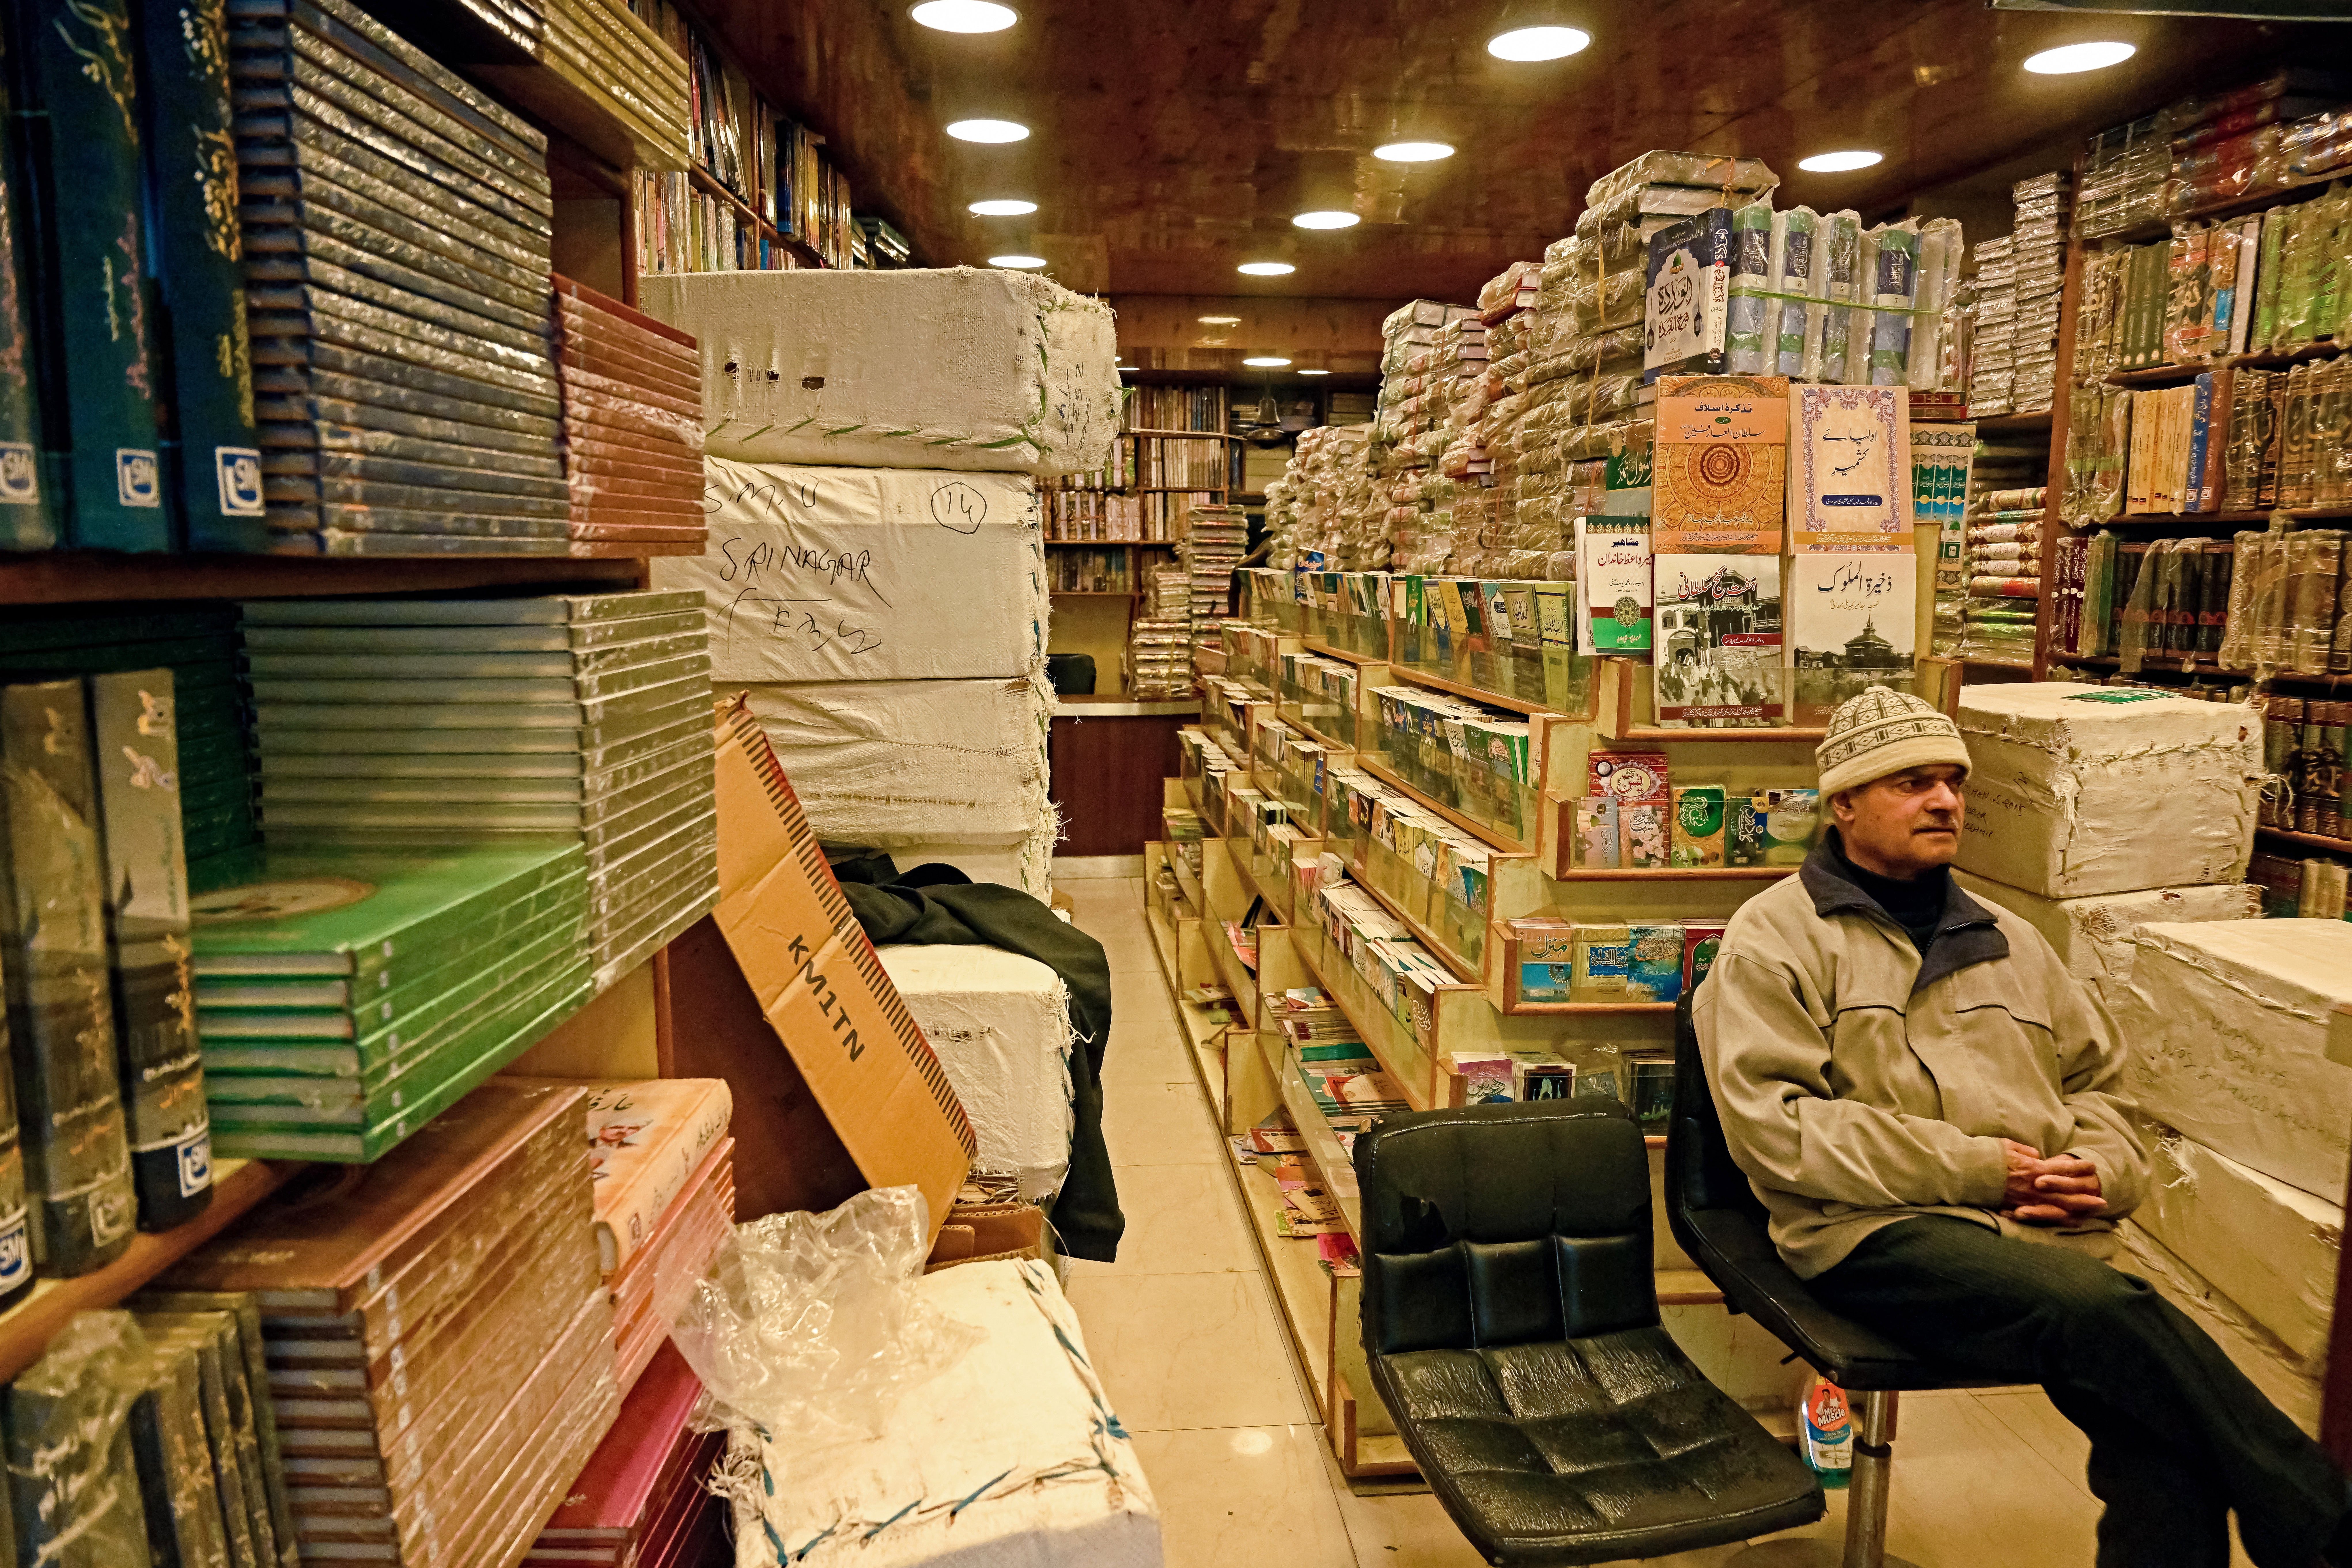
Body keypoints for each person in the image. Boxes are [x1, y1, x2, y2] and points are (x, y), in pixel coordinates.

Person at [1693, 685, 2352, 1567]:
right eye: (1913, 782)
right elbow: (1777, 1131)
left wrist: (2100, 1167)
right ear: (1844, 803)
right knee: (2118, 1316)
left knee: (2158, 1421)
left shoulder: (2015, 939)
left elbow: (2105, 1088)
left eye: (1955, 783)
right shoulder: (1773, 939)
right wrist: (1980, 1170)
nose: (1946, 802)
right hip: (1874, 1232)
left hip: (2048, 1227)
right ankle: (2321, 1527)